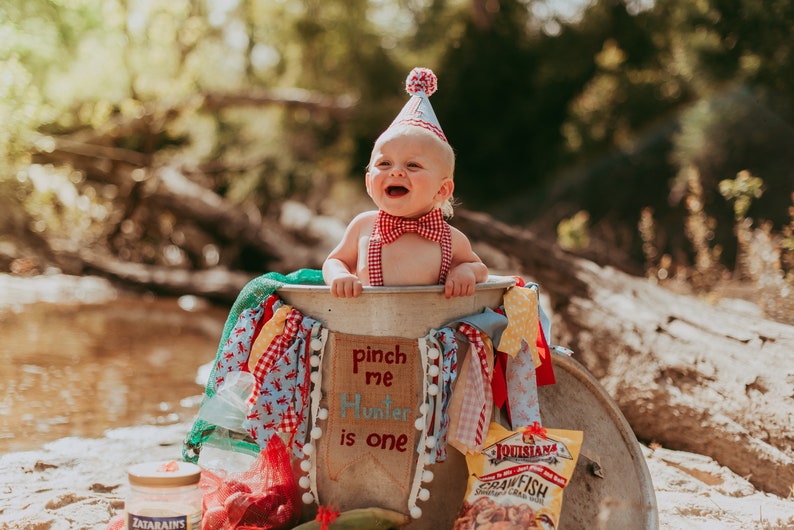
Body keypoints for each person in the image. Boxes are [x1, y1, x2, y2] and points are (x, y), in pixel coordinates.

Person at [323, 67, 488, 298]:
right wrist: (340, 275)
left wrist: (465, 271)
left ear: (442, 190)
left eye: (413, 165)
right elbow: (335, 260)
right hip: (367, 327)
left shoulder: (450, 238)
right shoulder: (363, 226)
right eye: (384, 164)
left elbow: (480, 268)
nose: (396, 172)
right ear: (369, 183)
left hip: (427, 329)